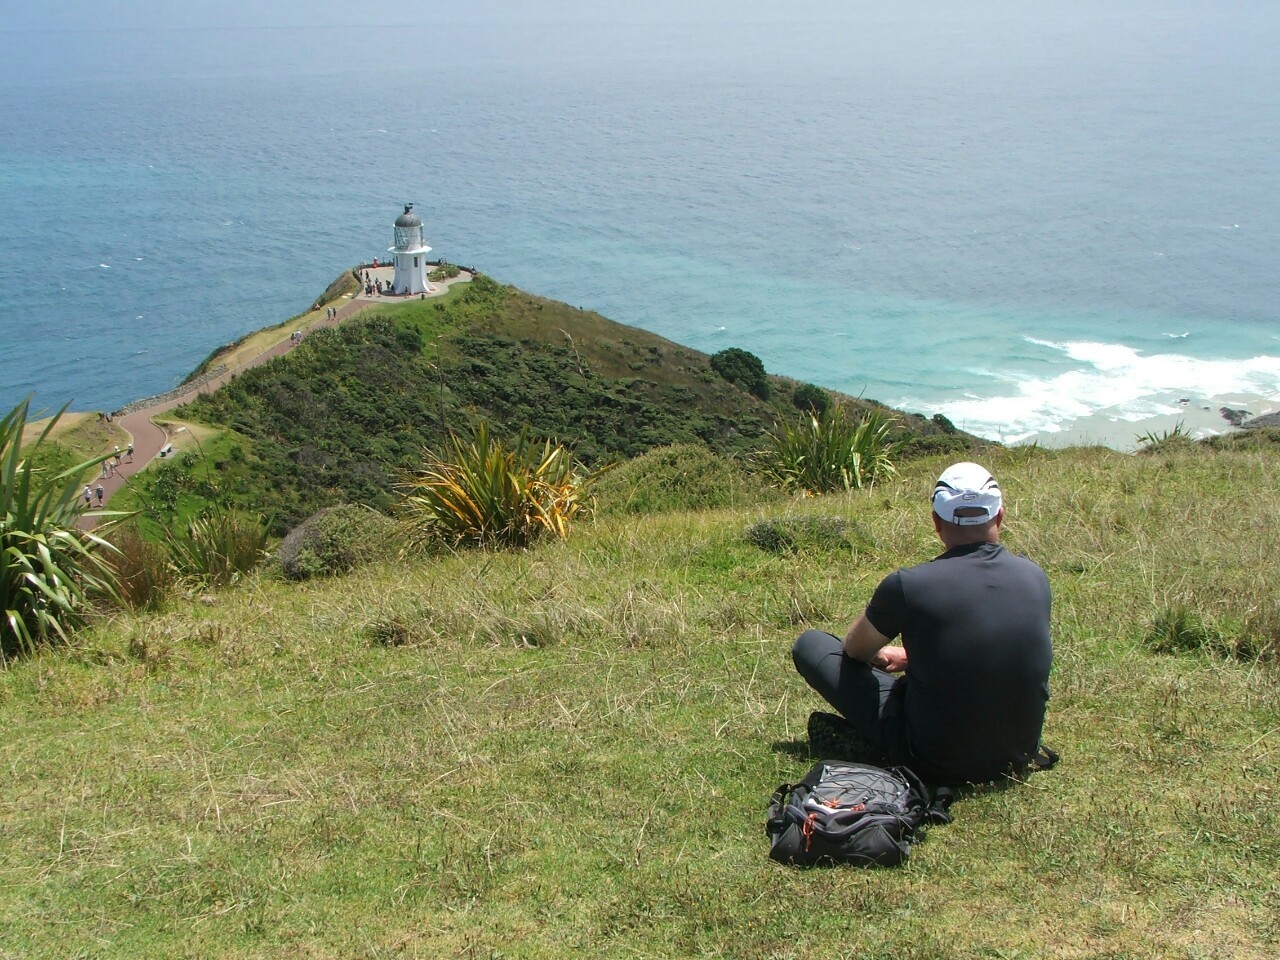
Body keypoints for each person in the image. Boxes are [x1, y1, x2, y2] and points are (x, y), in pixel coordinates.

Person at [792, 462, 1052, 786]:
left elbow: (856, 651)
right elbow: (995, 650)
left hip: (933, 761)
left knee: (812, 644)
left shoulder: (909, 585)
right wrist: (915, 656)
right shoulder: (1034, 577)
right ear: (999, 516)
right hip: (1017, 755)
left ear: (935, 522)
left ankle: (871, 745)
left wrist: (898, 654)